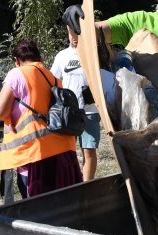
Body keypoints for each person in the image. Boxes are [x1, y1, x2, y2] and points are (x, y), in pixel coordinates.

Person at [0, 40, 82, 198]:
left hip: (35, 156)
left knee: (36, 211)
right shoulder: (53, 78)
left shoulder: (17, 73)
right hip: (62, 154)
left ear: (17, 60)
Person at [50, 26, 117, 181]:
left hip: (91, 111)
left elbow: (108, 77)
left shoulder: (94, 54)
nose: (74, 38)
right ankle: (68, 182)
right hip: (68, 112)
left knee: (89, 151)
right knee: (66, 151)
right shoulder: (62, 56)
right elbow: (53, 80)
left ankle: (86, 186)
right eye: (70, 34)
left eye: (77, 34)